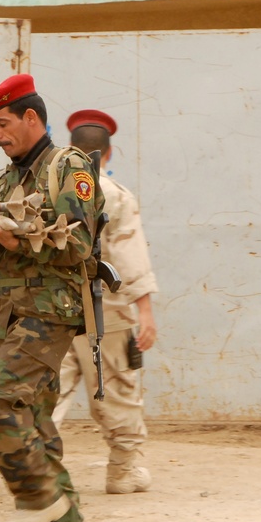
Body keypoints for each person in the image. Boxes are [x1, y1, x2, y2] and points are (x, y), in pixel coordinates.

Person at [0, 74, 104, 522]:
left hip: (50, 310)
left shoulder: (70, 166)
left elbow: (78, 243)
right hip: (10, 311)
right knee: (34, 417)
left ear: (31, 117)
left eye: (2, 123)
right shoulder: (2, 180)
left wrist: (11, 237)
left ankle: (37, 501)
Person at [52, 109, 158, 495]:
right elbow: (130, 260)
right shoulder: (115, 196)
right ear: (108, 154)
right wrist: (144, 313)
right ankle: (123, 471)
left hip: (55, 311)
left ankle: (38, 473)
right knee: (118, 390)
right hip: (105, 313)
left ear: (70, 151)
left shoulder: (48, 190)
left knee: (48, 392)